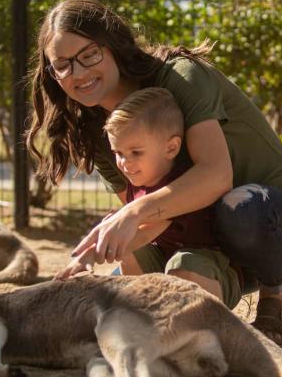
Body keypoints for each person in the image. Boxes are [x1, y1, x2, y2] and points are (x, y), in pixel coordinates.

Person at [27, 0, 282, 344]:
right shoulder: (98, 126)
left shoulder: (181, 76)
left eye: (88, 55)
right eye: (62, 65)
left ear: (112, 44)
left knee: (241, 205)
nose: (77, 73)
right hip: (208, 243)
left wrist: (132, 214)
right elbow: (149, 219)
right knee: (116, 283)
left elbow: (216, 177)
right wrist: (96, 254)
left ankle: (276, 300)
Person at [57, 87, 231, 303]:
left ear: (171, 148)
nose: (124, 163)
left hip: (208, 269)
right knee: (134, 255)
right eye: (118, 153)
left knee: (183, 265)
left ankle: (193, 323)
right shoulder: (139, 182)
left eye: (136, 152)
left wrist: (89, 256)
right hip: (167, 259)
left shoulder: (175, 187)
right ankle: (141, 308)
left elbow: (142, 234)